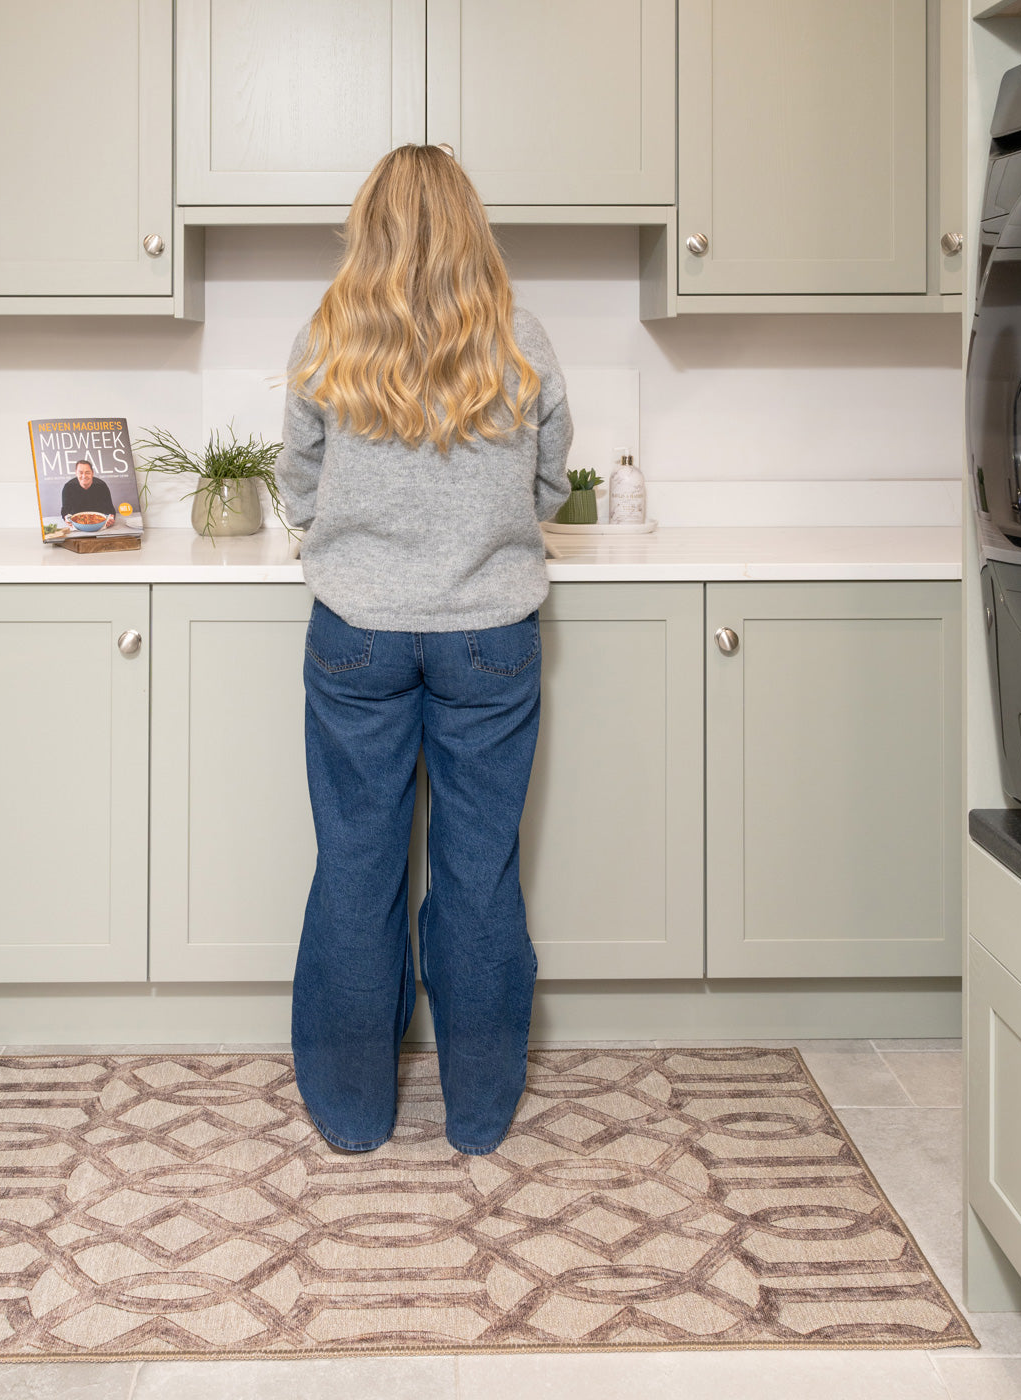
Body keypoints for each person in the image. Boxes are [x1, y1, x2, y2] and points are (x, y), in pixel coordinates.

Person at [275, 144, 573, 1157]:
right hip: (489, 635)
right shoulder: (521, 337)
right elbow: (547, 488)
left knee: (356, 861)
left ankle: (355, 1114)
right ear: (471, 228)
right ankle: (480, 1114)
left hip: (355, 632)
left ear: (369, 228)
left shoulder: (329, 337)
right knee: (478, 865)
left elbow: (300, 488)